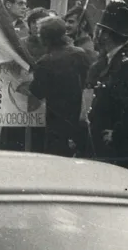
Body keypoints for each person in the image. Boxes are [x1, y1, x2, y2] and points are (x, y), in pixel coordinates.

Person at [87, 1, 128, 173]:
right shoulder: (111, 59)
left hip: (117, 148)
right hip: (104, 145)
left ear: (106, 35)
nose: (97, 33)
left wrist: (117, 133)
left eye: (100, 29)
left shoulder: (126, 64)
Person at [29, 17, 92, 157]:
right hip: (81, 120)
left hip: (56, 124)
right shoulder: (80, 54)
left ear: (45, 37)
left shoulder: (45, 62)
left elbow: (37, 92)